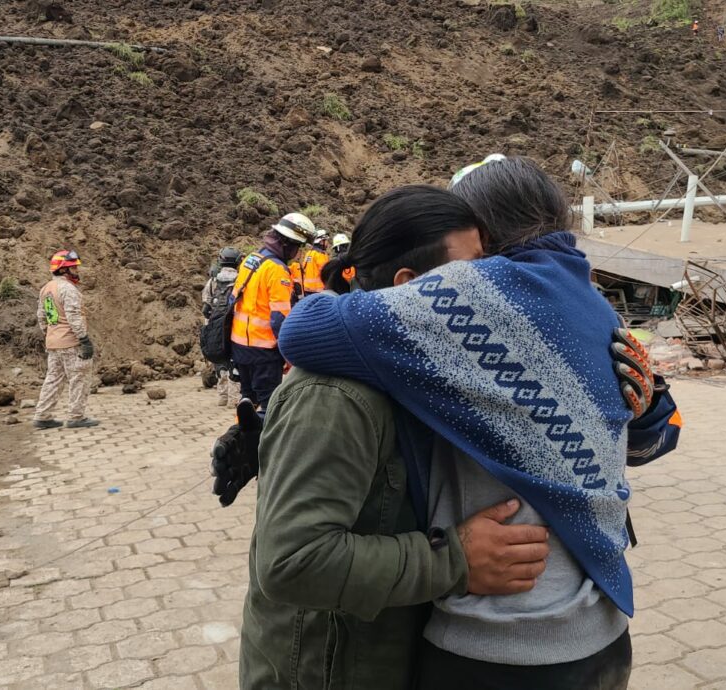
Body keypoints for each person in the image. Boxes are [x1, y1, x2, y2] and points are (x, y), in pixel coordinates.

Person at [278, 157, 658, 687]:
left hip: (497, 644)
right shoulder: (593, 302)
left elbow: (302, 332)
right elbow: (649, 434)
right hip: (603, 630)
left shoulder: (479, 295)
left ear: (485, 231)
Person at [240, 186, 553, 690]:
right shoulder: (333, 395)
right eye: (471, 273)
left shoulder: (422, 370)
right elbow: (292, 562)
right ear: (410, 286)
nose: (488, 289)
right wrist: (455, 560)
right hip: (329, 670)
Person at [230, 212, 314, 416]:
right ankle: (262, 445)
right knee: (269, 407)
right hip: (264, 351)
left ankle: (238, 442)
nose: (298, 253)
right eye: (298, 247)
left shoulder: (252, 259)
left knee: (247, 402)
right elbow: (280, 319)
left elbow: (232, 300)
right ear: (288, 244)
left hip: (240, 346)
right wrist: (289, 354)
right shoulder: (277, 270)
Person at [32, 250, 99, 430]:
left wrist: (51, 334)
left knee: (53, 379)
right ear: (63, 270)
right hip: (71, 343)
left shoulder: (46, 289)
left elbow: (42, 317)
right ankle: (77, 417)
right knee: (79, 377)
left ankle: (42, 416)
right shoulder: (68, 289)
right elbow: (73, 317)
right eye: (73, 267)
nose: (77, 270)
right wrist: (84, 340)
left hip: (54, 343)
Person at [202, 247, 242, 407]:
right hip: (234, 325)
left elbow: (206, 305)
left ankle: (222, 396)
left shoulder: (213, 281)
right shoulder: (240, 280)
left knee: (220, 361)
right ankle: (234, 399)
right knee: (234, 360)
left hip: (215, 326)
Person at [300, 229, 331, 295]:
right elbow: (327, 272)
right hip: (318, 290)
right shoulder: (320, 255)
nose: (327, 243)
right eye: (326, 241)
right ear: (321, 242)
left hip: (307, 288)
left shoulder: (309, 253)